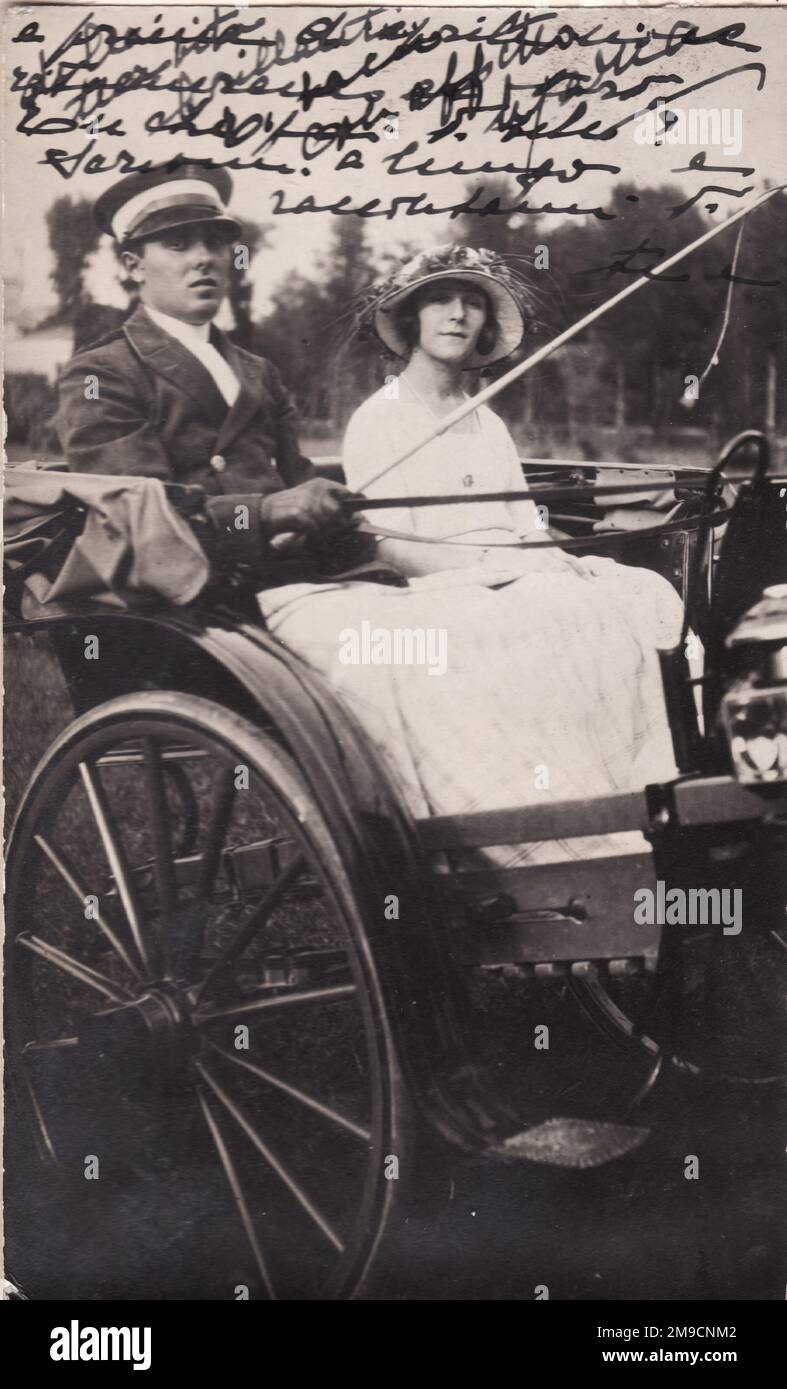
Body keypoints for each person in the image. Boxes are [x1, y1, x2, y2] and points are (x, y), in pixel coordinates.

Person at [258, 245, 685, 866]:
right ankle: (546, 832)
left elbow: (522, 521)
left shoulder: (486, 422)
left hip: (513, 569)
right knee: (545, 613)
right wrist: (501, 567)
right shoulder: (381, 418)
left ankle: (643, 797)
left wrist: (551, 555)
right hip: (438, 582)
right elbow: (392, 545)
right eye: (440, 299)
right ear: (411, 319)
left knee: (639, 595)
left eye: (473, 302)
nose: (458, 314)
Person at [56, 162, 359, 572]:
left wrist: (335, 513)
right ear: (133, 266)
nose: (204, 259)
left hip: (298, 574)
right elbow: (140, 517)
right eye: (178, 244)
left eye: (215, 243)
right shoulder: (101, 373)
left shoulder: (259, 371)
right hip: (200, 595)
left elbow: (298, 479)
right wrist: (265, 512)